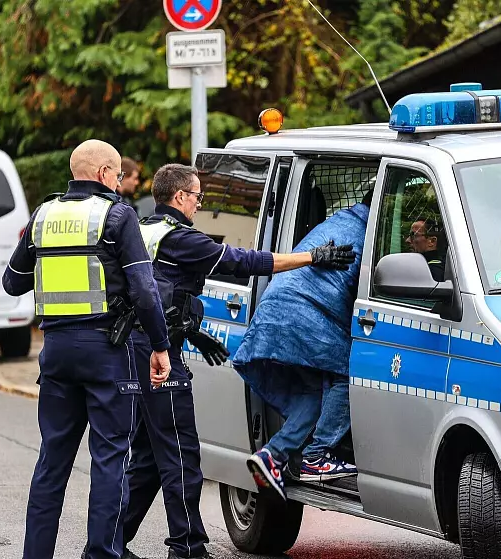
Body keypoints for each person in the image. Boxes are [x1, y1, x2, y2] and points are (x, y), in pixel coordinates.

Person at [121, 164, 355, 559]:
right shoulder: (181, 238)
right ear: (180, 197)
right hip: (158, 354)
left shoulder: (144, 230)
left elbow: (155, 290)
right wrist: (312, 256)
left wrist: (189, 330)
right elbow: (244, 261)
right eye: (197, 197)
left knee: (146, 458)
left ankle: (110, 544)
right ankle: (188, 549)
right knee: (181, 455)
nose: (199, 204)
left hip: (135, 348)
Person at [1, 139, 172, 559]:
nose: (119, 181)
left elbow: (12, 282)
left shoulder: (43, 215)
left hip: (56, 353)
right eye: (117, 174)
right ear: (103, 173)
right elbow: (144, 290)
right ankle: (101, 554)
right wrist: (160, 345)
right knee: (110, 459)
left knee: (51, 463)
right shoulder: (117, 215)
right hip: (105, 352)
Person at [233, 189, 374, 501]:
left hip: (274, 310)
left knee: (313, 393)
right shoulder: (369, 234)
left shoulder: (339, 222)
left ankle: (272, 455)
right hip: (304, 314)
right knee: (348, 373)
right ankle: (316, 456)